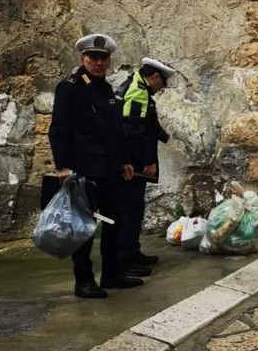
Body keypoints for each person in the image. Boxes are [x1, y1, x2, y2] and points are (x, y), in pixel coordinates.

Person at [48, 33, 143, 299]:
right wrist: (63, 167)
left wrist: (125, 160)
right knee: (84, 228)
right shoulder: (69, 88)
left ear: (109, 61)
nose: (99, 63)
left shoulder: (105, 89)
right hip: (84, 170)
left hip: (110, 169)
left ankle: (112, 274)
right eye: (93, 58)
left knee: (115, 221)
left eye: (103, 58)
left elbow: (115, 130)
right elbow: (59, 130)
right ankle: (84, 281)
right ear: (83, 59)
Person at [115, 57, 176, 276]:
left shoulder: (136, 87)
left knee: (134, 207)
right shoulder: (138, 92)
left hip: (131, 160)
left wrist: (161, 135)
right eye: (162, 84)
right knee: (132, 209)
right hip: (133, 163)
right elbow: (134, 131)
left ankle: (132, 251)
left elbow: (144, 123)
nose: (161, 88)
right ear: (155, 77)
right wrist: (147, 161)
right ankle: (126, 258)